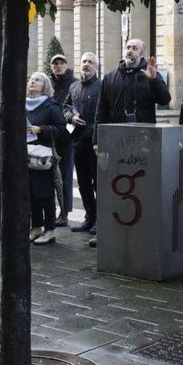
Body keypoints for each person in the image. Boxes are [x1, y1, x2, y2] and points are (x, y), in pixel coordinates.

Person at [26, 71, 67, 246]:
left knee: (45, 194)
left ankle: (49, 230)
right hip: (26, 154)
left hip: (42, 156)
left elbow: (61, 129)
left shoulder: (51, 106)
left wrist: (41, 129)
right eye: (32, 79)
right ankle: (36, 227)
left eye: (38, 80)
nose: (33, 82)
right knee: (30, 193)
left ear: (45, 86)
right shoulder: (23, 104)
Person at [64, 52, 102, 233]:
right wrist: (71, 118)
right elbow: (65, 107)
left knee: (98, 183)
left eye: (90, 62)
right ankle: (90, 217)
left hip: (96, 143)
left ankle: (100, 220)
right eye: (84, 61)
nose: (86, 64)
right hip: (78, 142)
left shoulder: (102, 87)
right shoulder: (73, 87)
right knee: (84, 183)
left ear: (96, 67)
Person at [94, 38, 171, 126]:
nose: (130, 51)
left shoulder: (151, 74)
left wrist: (153, 80)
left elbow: (165, 100)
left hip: (144, 133)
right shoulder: (110, 77)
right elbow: (101, 112)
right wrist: (97, 139)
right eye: (128, 48)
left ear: (142, 55)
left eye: (135, 48)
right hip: (116, 133)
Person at [48, 53, 76, 227]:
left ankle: (64, 212)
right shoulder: (48, 83)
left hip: (66, 137)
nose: (58, 66)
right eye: (55, 63)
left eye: (61, 63)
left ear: (66, 65)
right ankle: (49, 210)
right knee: (48, 176)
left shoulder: (74, 84)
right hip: (49, 135)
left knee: (65, 177)